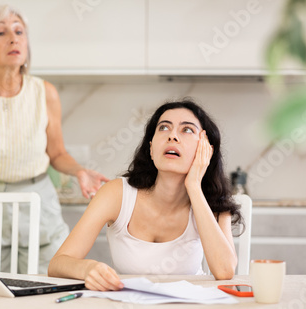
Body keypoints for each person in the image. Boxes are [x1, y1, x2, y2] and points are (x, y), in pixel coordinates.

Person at [0, 5, 108, 274]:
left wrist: (79, 170)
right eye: (1, 32)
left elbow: (56, 153)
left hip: (38, 203)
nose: (14, 38)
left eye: (19, 31)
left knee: (49, 283)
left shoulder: (45, 92)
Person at [48, 99, 243, 291]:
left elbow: (224, 271)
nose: (172, 136)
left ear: (206, 150)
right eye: (164, 128)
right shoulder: (117, 194)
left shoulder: (213, 203)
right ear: (151, 148)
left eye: (187, 129)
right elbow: (57, 264)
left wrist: (193, 186)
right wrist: (87, 268)